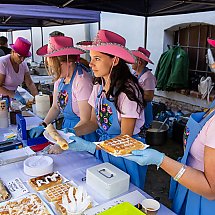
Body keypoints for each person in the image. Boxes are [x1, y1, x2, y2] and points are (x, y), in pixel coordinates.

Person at [124, 38, 215, 215]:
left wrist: (161, 160)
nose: (211, 63)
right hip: (190, 185)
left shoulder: (148, 76)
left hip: (203, 201)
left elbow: (211, 189)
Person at [65, 29, 148, 189]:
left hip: (125, 154)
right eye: (91, 58)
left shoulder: (127, 91)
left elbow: (125, 138)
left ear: (114, 60)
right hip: (104, 147)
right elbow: (92, 122)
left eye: (97, 58)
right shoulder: (98, 86)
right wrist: (72, 132)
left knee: (123, 193)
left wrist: (90, 146)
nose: (90, 64)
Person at [29, 36, 96, 153]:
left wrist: (64, 141)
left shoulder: (82, 81)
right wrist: (44, 124)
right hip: (67, 129)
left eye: (55, 66)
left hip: (81, 132)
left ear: (68, 62)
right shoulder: (60, 79)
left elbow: (86, 120)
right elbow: (55, 107)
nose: (53, 70)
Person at [0, 37, 38, 105]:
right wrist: (13, 95)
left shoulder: (23, 64)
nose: (22, 59)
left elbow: (29, 83)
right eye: (20, 56)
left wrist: (37, 97)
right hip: (2, 97)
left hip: (13, 95)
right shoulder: (3, 62)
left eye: (25, 57)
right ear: (13, 52)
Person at [131, 47, 156, 129]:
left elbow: (149, 97)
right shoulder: (135, 73)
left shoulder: (148, 77)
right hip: (137, 107)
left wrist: (133, 94)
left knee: (143, 130)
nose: (131, 62)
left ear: (139, 62)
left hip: (144, 109)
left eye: (133, 60)